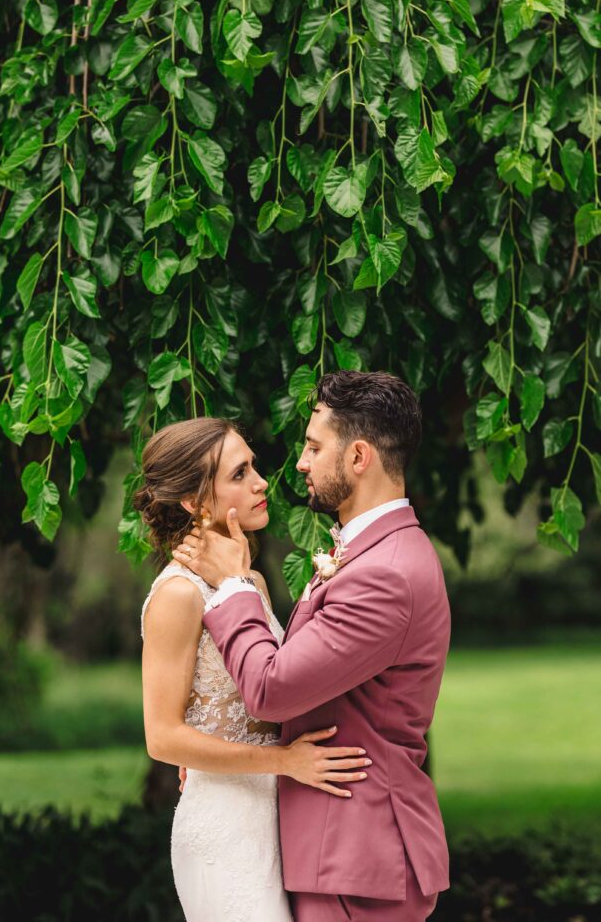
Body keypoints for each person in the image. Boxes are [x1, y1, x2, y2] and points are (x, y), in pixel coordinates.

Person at [173, 371, 451, 922]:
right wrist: (212, 750)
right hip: (338, 850)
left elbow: (274, 690)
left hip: (355, 853)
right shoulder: (373, 553)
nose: (299, 462)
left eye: (314, 446)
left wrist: (232, 586)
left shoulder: (384, 574)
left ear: (359, 457)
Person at [134, 417, 373, 922]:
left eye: (253, 467)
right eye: (240, 474)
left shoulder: (252, 584)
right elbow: (161, 737)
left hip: (279, 820)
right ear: (196, 503)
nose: (262, 482)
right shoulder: (178, 595)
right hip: (225, 830)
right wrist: (284, 761)